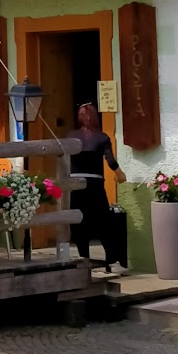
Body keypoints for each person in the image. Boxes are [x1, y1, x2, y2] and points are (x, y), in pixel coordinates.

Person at [69, 99, 128, 275]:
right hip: (94, 185)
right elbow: (110, 160)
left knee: (79, 224)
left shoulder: (71, 137)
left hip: (75, 185)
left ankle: (84, 261)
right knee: (103, 223)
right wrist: (120, 174)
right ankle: (112, 262)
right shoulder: (102, 137)